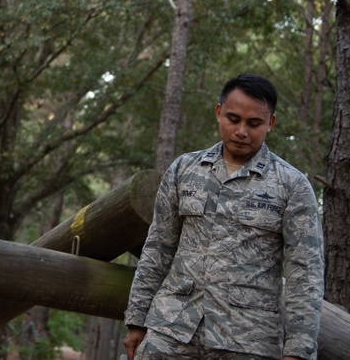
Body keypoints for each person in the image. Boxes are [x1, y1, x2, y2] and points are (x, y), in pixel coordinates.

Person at [122, 73, 324, 360]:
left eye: (254, 123)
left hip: (247, 340)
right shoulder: (184, 170)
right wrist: (137, 319)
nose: (242, 131)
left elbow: (305, 273)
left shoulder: (292, 185)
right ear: (219, 113)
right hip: (171, 330)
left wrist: (299, 350)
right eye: (233, 119)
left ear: (271, 123)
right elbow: (158, 248)